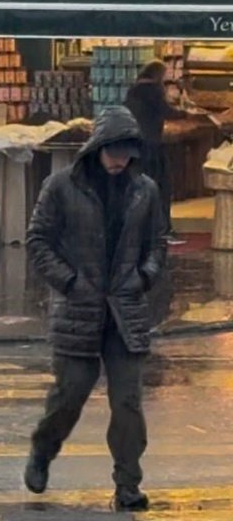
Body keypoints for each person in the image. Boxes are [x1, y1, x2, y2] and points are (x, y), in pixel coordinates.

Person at [24, 106, 166, 513]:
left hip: (125, 311)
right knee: (69, 396)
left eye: (127, 154)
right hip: (78, 308)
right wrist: (69, 282)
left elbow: (158, 242)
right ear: (97, 148)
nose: (120, 162)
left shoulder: (144, 190)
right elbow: (37, 240)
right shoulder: (61, 186)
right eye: (114, 153)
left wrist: (144, 276)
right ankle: (43, 450)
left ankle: (128, 485)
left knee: (127, 403)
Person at [124, 61, 189, 242]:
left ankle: (140, 228)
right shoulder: (154, 90)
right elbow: (166, 111)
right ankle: (163, 229)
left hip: (135, 145)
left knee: (138, 187)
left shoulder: (133, 90)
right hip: (152, 145)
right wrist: (186, 113)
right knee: (162, 186)